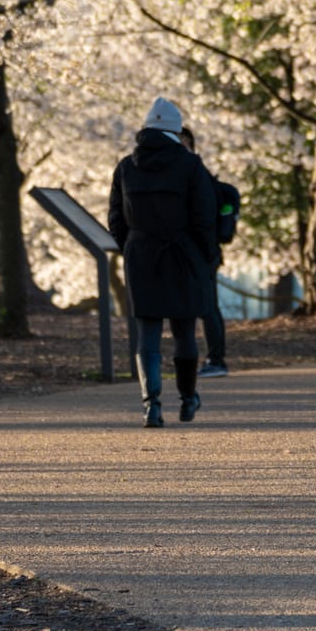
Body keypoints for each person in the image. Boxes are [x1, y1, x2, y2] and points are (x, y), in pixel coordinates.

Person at [108, 97, 219, 428]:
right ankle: (188, 398)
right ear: (175, 129)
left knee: (148, 332)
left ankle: (151, 404)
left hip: (141, 255)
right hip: (184, 253)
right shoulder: (191, 165)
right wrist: (207, 256)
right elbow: (204, 216)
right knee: (184, 329)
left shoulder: (126, 167)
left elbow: (116, 218)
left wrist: (130, 246)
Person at [181, 128, 229, 379]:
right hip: (201, 251)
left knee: (208, 306)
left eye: (183, 142)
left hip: (204, 253)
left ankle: (216, 358)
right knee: (206, 306)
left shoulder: (197, 172)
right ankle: (212, 358)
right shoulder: (194, 172)